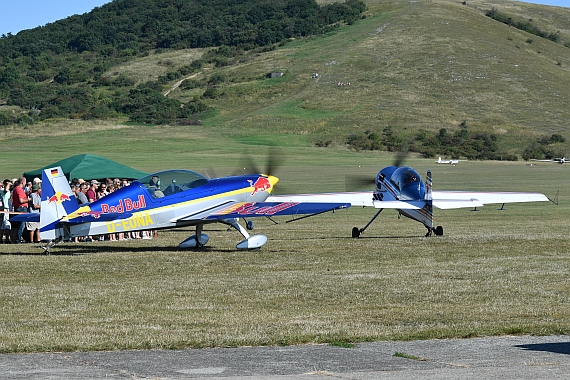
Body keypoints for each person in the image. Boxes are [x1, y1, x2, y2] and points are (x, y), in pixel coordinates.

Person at [11, 177, 30, 243]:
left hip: (18, 208)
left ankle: (23, 238)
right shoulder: (19, 189)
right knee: (22, 225)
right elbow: (21, 200)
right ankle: (17, 240)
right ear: (23, 182)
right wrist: (28, 199)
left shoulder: (16, 189)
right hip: (21, 208)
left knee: (21, 225)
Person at [1, 179, 12, 243]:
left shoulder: (8, 191)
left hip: (7, 209)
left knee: (4, 225)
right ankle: (7, 239)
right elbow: (6, 190)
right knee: (6, 224)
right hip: (5, 209)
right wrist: (8, 184)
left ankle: (3, 238)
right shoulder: (3, 190)